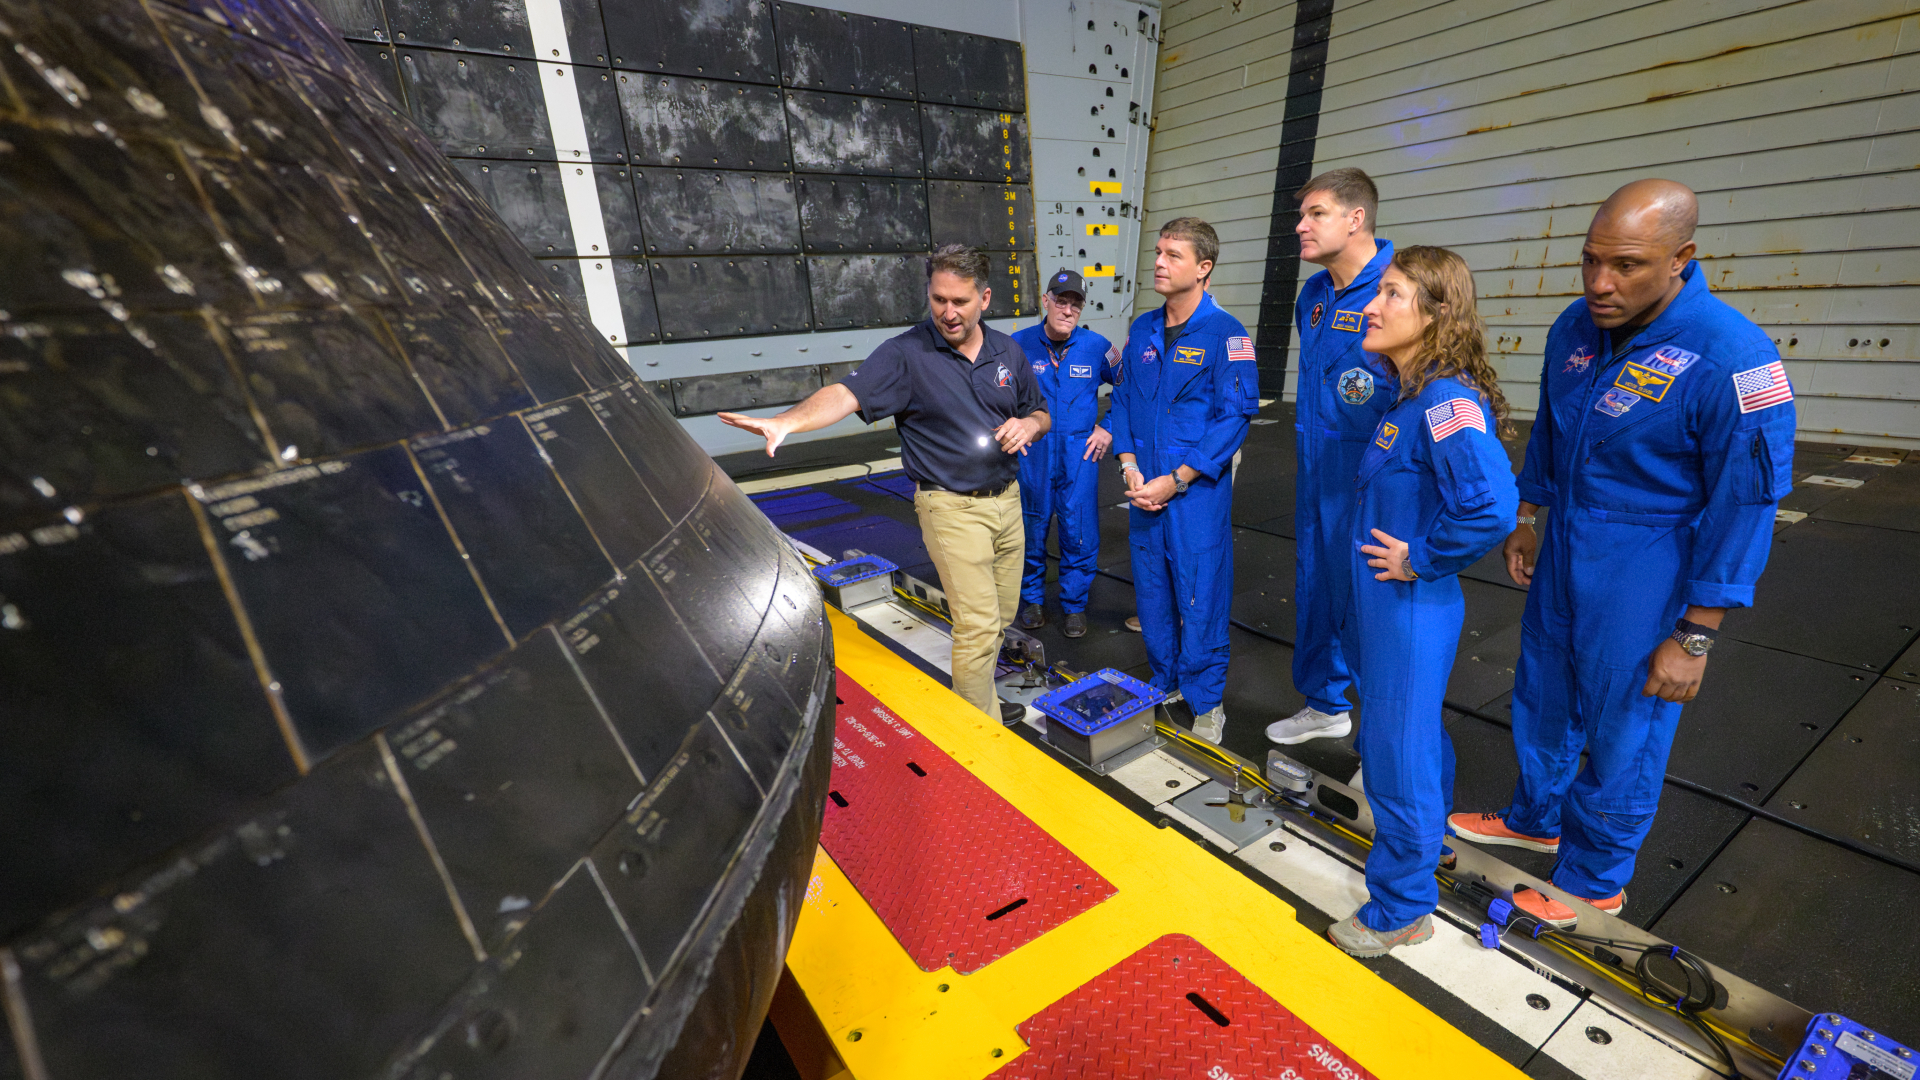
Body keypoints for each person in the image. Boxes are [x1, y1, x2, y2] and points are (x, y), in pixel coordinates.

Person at [1446, 180, 1796, 929]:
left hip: (1650, 556)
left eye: (1628, 265)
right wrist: (1528, 513)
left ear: (1681, 259)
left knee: (1623, 724)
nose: (1601, 284)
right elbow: (1551, 428)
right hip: (1567, 538)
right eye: (1590, 261)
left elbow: (1746, 504)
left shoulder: (1735, 358)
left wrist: (1696, 633)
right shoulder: (1577, 326)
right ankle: (1536, 817)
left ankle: (1594, 878)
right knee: (1542, 690)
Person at [718, 246, 1050, 723]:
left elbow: (1040, 410)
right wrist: (786, 422)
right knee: (977, 628)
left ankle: (983, 702)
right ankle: (982, 733)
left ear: (985, 298)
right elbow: (845, 394)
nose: (947, 312)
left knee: (999, 618)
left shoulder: (1008, 351)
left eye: (959, 301)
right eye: (938, 299)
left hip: (1007, 503)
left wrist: (1030, 426)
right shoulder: (906, 354)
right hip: (950, 509)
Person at [1327, 246, 1519, 957]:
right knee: (1409, 740)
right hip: (1387, 610)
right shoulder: (1409, 395)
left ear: (1437, 314)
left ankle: (1404, 905)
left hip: (1408, 611)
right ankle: (1430, 841)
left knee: (1394, 752)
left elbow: (1492, 508)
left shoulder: (1444, 401)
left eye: (1394, 295)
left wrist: (1420, 558)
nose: (1372, 307)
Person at [1108, 218, 1260, 744]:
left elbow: (1233, 419)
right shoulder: (1144, 329)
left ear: (1203, 268)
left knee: (1201, 595)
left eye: (1174, 255)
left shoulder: (1228, 336)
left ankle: (1205, 701)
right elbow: (1123, 401)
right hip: (1143, 487)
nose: (1159, 262)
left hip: (1194, 494)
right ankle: (1165, 682)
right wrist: (1129, 466)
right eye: (1158, 252)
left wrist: (1177, 478)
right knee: (1151, 591)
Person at [1268, 168, 1401, 749]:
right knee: (1317, 588)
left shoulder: (1402, 288)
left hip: (1377, 479)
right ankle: (1325, 704)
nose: (1300, 226)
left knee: (1374, 604)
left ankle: (1387, 738)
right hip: (1318, 469)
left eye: (1314, 213)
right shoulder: (1314, 296)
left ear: (1356, 219)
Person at [1012, 270, 1120, 639]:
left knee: (1079, 529)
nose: (1068, 309)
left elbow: (1129, 386)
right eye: (1061, 300)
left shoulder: (1098, 347)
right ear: (1046, 300)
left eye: (1076, 304)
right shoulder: (1017, 345)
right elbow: (994, 394)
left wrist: (1108, 427)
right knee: (1031, 525)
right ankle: (1032, 600)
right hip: (1034, 452)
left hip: (1080, 452)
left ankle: (1074, 604)